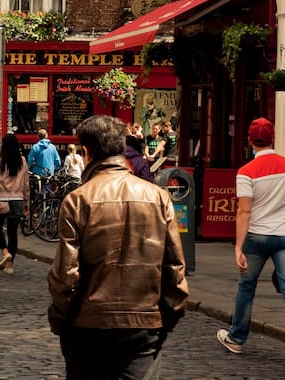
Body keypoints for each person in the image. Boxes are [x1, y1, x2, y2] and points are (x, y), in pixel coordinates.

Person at [47, 115, 188, 379]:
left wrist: (60, 318)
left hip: (88, 323)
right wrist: (166, 317)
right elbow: (174, 268)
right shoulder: (158, 196)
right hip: (142, 322)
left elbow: (66, 274)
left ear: (86, 152)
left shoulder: (78, 200)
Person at [217, 118, 285, 370]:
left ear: (250, 140)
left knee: (247, 287)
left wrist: (238, 246)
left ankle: (237, 337)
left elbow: (244, 212)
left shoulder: (246, 171)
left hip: (257, 236)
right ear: (273, 138)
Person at [0, 133, 30, 276]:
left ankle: (5, 251)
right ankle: (10, 265)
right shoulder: (22, 161)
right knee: (13, 233)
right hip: (17, 200)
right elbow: (26, 184)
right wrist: (26, 202)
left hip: (1, 199)